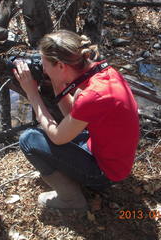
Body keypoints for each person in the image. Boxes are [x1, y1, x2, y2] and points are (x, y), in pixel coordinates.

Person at [13, 30, 139, 211]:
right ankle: (73, 174)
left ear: (62, 66)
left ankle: (70, 199)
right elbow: (74, 113)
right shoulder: (104, 73)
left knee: (29, 139)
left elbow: (57, 137)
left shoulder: (92, 95)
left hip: (105, 174)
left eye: (45, 64)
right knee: (54, 132)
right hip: (108, 156)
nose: (43, 69)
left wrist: (32, 93)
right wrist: (57, 84)